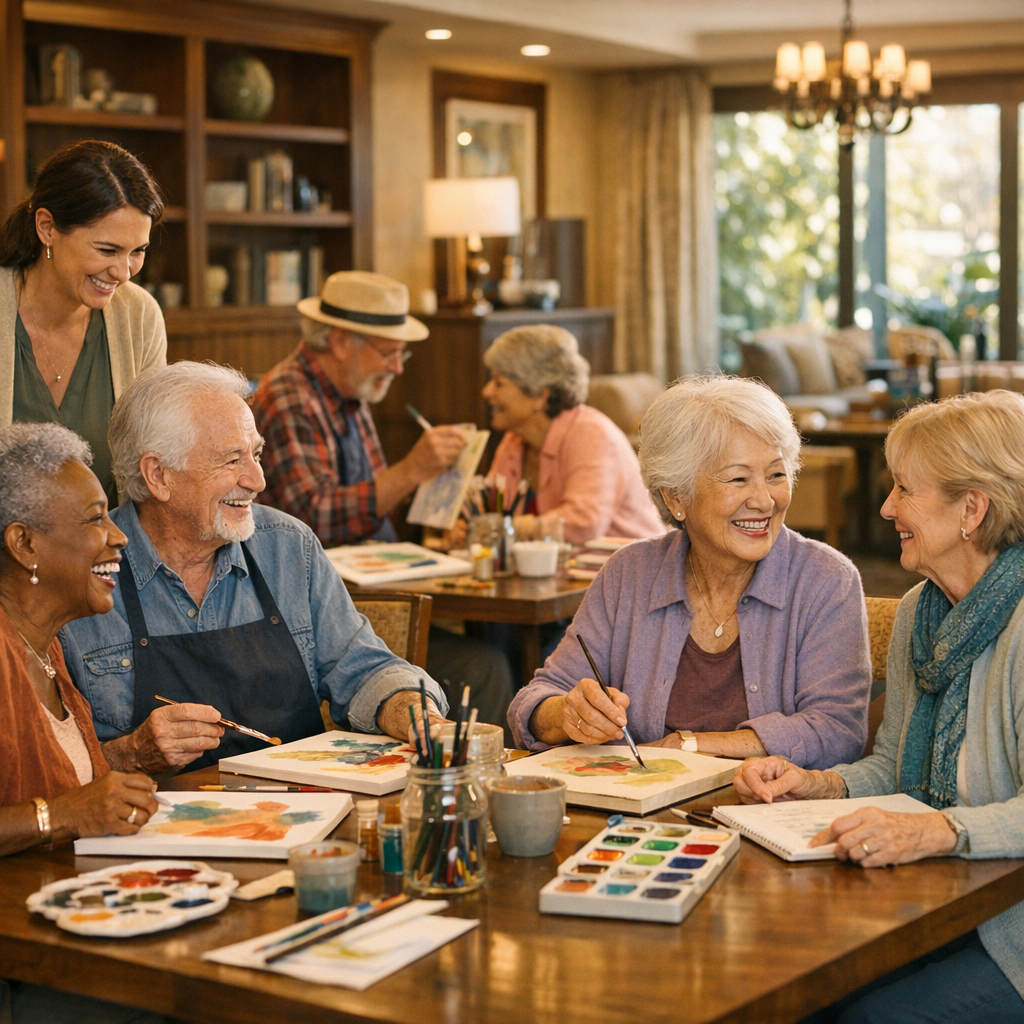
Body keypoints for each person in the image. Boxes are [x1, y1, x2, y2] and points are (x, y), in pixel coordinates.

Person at [735, 391, 1024, 1024]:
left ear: (972, 509)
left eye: (904, 490)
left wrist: (938, 828)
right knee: (790, 985)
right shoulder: (923, 609)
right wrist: (815, 783)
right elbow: (893, 766)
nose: (887, 507)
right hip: (934, 903)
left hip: (1012, 931)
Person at [60, 361, 448, 775]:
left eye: (256, 454)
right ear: (158, 476)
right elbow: (35, 763)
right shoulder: (77, 572)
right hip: (148, 827)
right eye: (231, 461)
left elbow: (367, 669)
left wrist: (418, 715)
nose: (258, 479)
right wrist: (131, 754)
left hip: (298, 818)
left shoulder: (287, 547)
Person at [508, 375, 871, 764]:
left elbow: (837, 730)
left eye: (776, 475)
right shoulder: (629, 574)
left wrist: (686, 747)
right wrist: (566, 714)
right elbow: (534, 701)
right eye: (739, 478)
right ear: (676, 496)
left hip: (764, 813)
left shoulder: (825, 580)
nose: (765, 500)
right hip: (640, 815)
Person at [251, 270, 513, 738]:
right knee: (486, 663)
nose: (397, 368)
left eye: (401, 353)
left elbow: (373, 510)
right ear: (339, 341)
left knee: (497, 645)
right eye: (388, 352)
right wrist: (412, 470)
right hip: (328, 616)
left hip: (370, 593)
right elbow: (313, 520)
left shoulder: (351, 396)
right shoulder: (290, 397)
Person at [0, 421, 171, 1022]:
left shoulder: (47, 649)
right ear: (24, 545)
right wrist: (64, 814)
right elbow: (65, 810)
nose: (118, 536)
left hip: (64, 929)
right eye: (95, 518)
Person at [0, 140, 167, 509]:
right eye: (107, 250)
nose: (123, 273)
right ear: (46, 227)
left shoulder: (138, 316)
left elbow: (153, 461)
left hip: (110, 558)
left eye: (137, 251)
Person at [483, 325, 665, 544]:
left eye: (499, 383)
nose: (487, 392)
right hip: (562, 569)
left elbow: (583, 523)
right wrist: (468, 525)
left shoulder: (591, 434)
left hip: (629, 570)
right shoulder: (515, 441)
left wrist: (508, 528)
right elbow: (491, 512)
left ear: (540, 395)